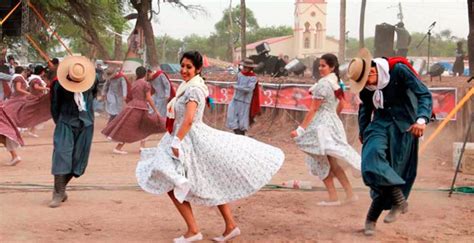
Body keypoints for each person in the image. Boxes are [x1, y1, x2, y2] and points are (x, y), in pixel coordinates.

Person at [135, 51, 284, 242]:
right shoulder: (186, 86)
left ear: (198, 69)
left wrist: (176, 141)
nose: (184, 70)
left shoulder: (194, 89)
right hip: (180, 137)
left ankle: (194, 230)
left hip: (188, 140)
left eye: (189, 67)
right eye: (182, 66)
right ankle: (228, 226)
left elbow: (189, 120)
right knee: (199, 182)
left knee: (173, 183)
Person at [347, 48, 432, 236]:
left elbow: (424, 94)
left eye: (367, 80)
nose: (367, 85)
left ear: (373, 71)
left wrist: (421, 120)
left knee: (394, 170)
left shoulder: (398, 70)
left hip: (404, 126)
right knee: (370, 162)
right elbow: (365, 108)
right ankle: (397, 197)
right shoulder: (367, 87)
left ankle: (371, 219)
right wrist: (364, 132)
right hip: (379, 124)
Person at [291, 53, 361, 206]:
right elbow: (342, 104)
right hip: (332, 123)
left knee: (322, 160)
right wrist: (332, 117)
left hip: (322, 126)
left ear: (332, 67)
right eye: (320, 65)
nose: (320, 68)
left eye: (323, 65)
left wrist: (300, 129)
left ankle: (334, 197)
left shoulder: (323, 84)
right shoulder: (336, 82)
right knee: (332, 163)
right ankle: (349, 194)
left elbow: (313, 109)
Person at [49, 56, 98, 208]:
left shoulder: (92, 80)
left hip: (86, 123)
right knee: (61, 156)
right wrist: (61, 122)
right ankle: (58, 192)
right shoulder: (58, 84)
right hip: (65, 122)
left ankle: (61, 188)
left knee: (78, 161)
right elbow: (54, 105)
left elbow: (93, 96)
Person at [102, 66, 165, 154]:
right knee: (143, 126)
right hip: (141, 107)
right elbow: (149, 98)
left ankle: (138, 147)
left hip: (132, 106)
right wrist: (156, 110)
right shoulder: (145, 84)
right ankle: (128, 147)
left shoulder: (135, 83)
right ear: (145, 74)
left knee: (130, 127)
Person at [4, 65, 51, 137]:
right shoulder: (19, 78)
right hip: (21, 98)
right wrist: (28, 93)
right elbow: (19, 88)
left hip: (23, 98)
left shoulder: (27, 78)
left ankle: (28, 129)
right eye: (24, 72)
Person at [225, 59, 261, 135]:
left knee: (242, 122)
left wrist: (236, 87)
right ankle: (237, 132)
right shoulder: (240, 74)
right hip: (236, 99)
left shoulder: (253, 78)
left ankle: (241, 135)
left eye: (247, 67)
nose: (244, 68)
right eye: (244, 66)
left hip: (245, 101)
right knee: (231, 116)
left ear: (250, 68)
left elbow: (249, 89)